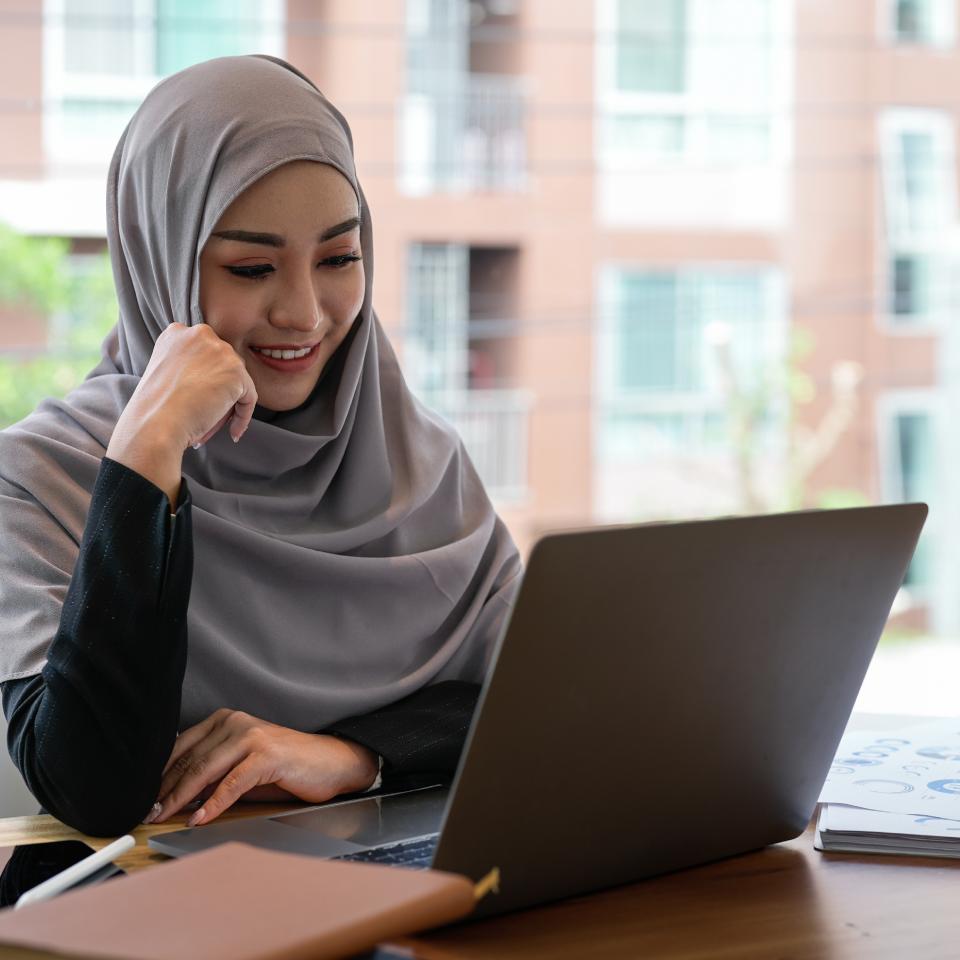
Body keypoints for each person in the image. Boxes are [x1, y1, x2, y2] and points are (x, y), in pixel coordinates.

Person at [0, 56, 522, 837]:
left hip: (409, 905)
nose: (305, 314)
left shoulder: (424, 464)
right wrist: (145, 456)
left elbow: (541, 699)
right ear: (161, 263)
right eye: (252, 268)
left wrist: (347, 756)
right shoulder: (43, 479)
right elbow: (91, 785)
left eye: (340, 258)